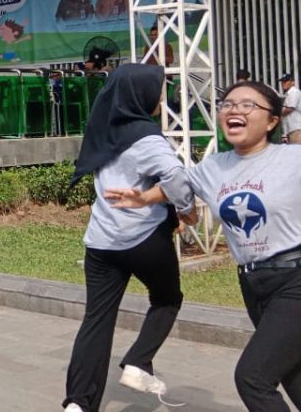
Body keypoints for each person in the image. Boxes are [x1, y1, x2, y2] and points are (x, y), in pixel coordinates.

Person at [108, 80, 301, 412]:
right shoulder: (215, 167)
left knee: (253, 378)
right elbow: (177, 186)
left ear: (272, 121)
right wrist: (143, 197)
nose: (234, 111)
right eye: (227, 105)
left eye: (247, 105)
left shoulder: (300, 159)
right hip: (255, 286)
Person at [60, 64, 192, 412]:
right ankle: (138, 363)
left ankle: (78, 403)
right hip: (145, 238)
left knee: (97, 320)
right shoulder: (146, 137)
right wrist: (186, 210)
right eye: (159, 91)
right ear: (140, 96)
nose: (161, 98)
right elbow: (177, 179)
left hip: (101, 241)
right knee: (167, 299)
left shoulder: (102, 128)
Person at [279, 72, 301, 144]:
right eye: (282, 81)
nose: (283, 83)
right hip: (291, 128)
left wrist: (278, 115)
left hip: (296, 128)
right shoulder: (288, 94)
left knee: (295, 153)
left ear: (292, 82)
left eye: (285, 81)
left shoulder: (294, 92)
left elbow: (290, 109)